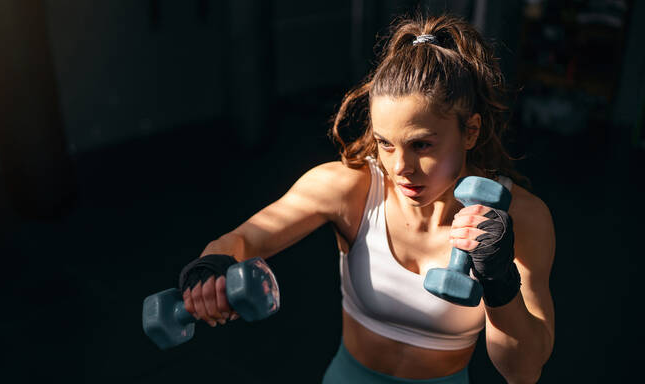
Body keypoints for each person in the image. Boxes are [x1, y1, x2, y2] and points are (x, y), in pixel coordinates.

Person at [177, 14, 555, 384]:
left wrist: (499, 278)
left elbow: (523, 371)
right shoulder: (350, 189)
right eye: (385, 144)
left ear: (469, 131)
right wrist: (210, 271)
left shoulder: (520, 218)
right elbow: (247, 238)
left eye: (421, 144)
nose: (400, 167)